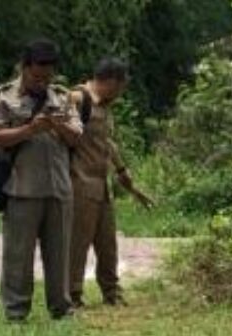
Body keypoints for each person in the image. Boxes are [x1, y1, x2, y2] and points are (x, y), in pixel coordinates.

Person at [0, 39, 83, 322]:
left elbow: (77, 135)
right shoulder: (3, 97)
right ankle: (16, 311)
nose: (42, 80)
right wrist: (29, 129)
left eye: (48, 75)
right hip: (22, 188)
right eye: (37, 75)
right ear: (24, 68)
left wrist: (57, 124)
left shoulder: (63, 98)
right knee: (18, 257)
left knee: (59, 255)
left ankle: (61, 308)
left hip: (58, 189)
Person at [67, 58, 154, 310]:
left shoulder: (105, 107)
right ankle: (72, 294)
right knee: (77, 243)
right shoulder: (77, 98)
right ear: (109, 81)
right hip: (79, 182)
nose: (120, 93)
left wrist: (122, 171)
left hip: (101, 184)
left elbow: (107, 142)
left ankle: (111, 291)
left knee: (107, 242)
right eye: (120, 87)